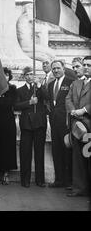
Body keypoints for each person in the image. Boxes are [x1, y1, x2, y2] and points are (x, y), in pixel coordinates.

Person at [15, 66, 48, 188]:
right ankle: (25, 180)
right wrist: (29, 102)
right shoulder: (19, 90)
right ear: (24, 76)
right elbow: (16, 105)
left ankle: (40, 180)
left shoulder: (39, 88)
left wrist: (39, 85)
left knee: (39, 152)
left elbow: (47, 97)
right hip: (26, 125)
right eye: (27, 74)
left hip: (39, 123)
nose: (29, 76)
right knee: (25, 153)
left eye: (31, 74)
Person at [65, 56, 91, 197]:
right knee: (78, 158)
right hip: (78, 126)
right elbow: (68, 99)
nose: (86, 67)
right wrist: (73, 110)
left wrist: (84, 110)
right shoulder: (75, 83)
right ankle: (79, 188)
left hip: (89, 125)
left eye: (89, 65)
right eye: (85, 64)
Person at [47, 60, 74, 189]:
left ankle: (69, 181)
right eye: (54, 69)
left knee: (67, 151)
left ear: (63, 68)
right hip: (54, 123)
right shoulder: (51, 84)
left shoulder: (71, 82)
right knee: (56, 151)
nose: (56, 70)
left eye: (58, 68)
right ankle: (58, 180)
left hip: (66, 123)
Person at [0, 67, 17, 185]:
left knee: (8, 146)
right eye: (2, 75)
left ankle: (6, 172)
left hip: (8, 121)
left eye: (6, 75)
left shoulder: (12, 88)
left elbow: (10, 103)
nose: (4, 77)